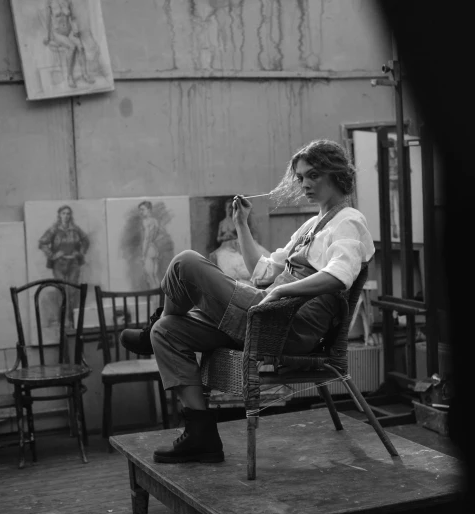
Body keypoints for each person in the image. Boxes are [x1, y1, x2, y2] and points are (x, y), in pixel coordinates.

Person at [119, 139, 374, 464]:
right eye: (300, 177)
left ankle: (150, 325)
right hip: (267, 315)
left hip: (290, 326)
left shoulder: (349, 220)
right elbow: (263, 269)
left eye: (313, 175)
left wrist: (283, 292)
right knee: (167, 332)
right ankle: (202, 435)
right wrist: (241, 223)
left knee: (185, 262)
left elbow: (341, 276)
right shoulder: (313, 225)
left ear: (336, 173)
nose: (305, 184)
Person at [38, 205, 90, 328]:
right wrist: (53, 255)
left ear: (70, 216)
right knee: (61, 290)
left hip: (73, 263)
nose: (66, 216)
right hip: (59, 264)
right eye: (63, 213)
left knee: (72, 291)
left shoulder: (75, 229)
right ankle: (62, 319)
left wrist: (80, 252)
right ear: (59, 215)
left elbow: (86, 241)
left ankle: (72, 320)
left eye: (68, 214)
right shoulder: (54, 229)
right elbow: (42, 243)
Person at [208, 198, 270, 282]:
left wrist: (233, 236)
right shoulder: (222, 223)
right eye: (228, 208)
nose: (230, 210)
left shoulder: (236, 220)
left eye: (231, 208)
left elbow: (242, 234)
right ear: (225, 209)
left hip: (236, 244)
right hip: (225, 245)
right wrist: (226, 237)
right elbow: (218, 238)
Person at [138, 201, 162, 289]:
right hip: (155, 249)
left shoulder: (145, 222)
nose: (141, 212)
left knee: (150, 277)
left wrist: (143, 255)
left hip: (148, 250)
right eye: (139, 210)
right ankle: (159, 300)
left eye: (142, 209)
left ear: (149, 210)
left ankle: (155, 300)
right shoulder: (155, 221)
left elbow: (146, 238)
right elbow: (155, 236)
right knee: (155, 276)